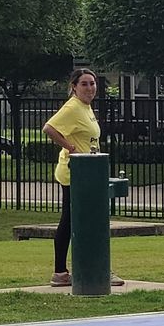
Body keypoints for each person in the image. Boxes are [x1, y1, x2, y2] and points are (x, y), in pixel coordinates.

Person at [42, 67, 104, 289]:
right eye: (84, 84)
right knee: (70, 221)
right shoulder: (72, 107)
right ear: (74, 87)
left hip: (89, 171)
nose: (90, 88)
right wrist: (71, 148)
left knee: (85, 221)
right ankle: (61, 272)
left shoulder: (86, 108)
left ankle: (92, 267)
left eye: (92, 83)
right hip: (74, 172)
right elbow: (49, 128)